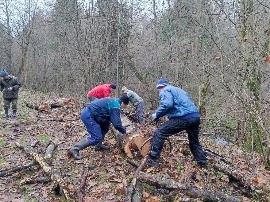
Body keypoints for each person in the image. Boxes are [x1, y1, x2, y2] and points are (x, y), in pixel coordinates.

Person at [146, 78, 208, 169]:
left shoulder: (165, 90)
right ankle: (203, 165)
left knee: (160, 132)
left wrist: (156, 115)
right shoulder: (179, 90)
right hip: (195, 117)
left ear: (160, 87)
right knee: (194, 143)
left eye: (158, 90)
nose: (158, 92)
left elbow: (167, 105)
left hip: (184, 117)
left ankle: (153, 160)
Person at [68, 94, 129, 160]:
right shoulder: (115, 105)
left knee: (106, 126)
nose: (124, 107)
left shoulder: (114, 101)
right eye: (125, 106)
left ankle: (98, 145)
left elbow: (111, 117)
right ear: (123, 103)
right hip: (89, 115)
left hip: (96, 115)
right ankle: (74, 149)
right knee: (96, 137)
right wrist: (125, 131)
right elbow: (117, 124)